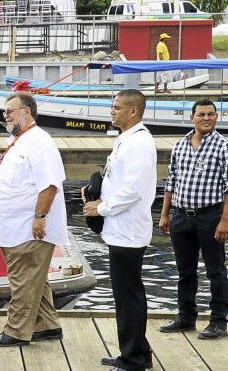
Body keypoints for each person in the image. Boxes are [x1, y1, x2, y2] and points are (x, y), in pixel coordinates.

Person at [0, 92, 67, 348]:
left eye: (10, 111)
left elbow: (50, 185)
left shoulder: (39, 142)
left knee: (23, 280)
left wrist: (39, 218)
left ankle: (16, 332)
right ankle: (46, 324)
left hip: (27, 229)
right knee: (34, 280)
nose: (5, 116)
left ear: (27, 112)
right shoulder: (21, 141)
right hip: (13, 227)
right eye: (5, 112)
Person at [83, 89, 156, 371]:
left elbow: (133, 191)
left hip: (129, 231)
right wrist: (96, 195)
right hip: (119, 228)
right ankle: (140, 351)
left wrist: (101, 209)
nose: (111, 111)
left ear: (133, 111)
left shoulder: (139, 143)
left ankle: (133, 359)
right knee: (127, 293)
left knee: (128, 296)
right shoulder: (126, 140)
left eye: (116, 107)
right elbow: (118, 181)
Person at [158, 99, 228, 340]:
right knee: (185, 271)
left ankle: (219, 320)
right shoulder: (180, 144)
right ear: (192, 118)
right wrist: (165, 214)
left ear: (216, 117)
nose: (206, 118)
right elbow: (171, 181)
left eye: (211, 114)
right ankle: (186, 316)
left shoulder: (223, 146)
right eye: (201, 114)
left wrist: (225, 221)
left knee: (216, 271)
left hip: (210, 216)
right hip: (180, 216)